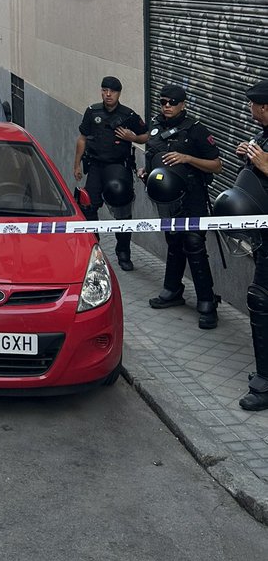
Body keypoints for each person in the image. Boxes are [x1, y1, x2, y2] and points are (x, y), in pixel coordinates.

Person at [145, 83, 222, 329]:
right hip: (168, 201)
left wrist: (187, 158)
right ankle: (172, 289)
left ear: (183, 104)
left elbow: (216, 165)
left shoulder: (196, 130)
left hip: (193, 198)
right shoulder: (155, 128)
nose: (167, 106)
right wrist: (144, 172)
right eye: (163, 102)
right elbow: (152, 157)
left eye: (172, 103)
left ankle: (207, 302)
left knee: (195, 246)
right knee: (174, 243)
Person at [73, 77, 148, 272]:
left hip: (118, 166)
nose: (108, 94)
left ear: (119, 93)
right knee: (88, 206)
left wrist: (134, 138)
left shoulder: (128, 115)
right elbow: (82, 138)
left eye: (112, 91)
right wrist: (77, 165)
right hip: (96, 166)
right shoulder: (92, 111)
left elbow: (148, 135)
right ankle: (93, 250)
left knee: (122, 208)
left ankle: (123, 252)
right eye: (105, 90)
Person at [230, 79, 268, 411]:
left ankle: (265, 385)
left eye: (254, 106)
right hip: (264, 238)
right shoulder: (263, 137)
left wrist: (265, 164)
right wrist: (249, 155)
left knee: (260, 299)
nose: (251, 110)